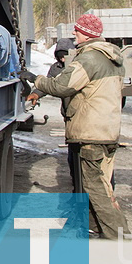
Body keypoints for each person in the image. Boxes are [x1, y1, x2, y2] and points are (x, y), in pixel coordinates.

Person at [21, 14, 129, 238]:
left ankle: (117, 236)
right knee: (104, 185)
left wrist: (35, 79)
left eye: (78, 31)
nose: (74, 34)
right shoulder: (112, 59)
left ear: (88, 34)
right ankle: (96, 228)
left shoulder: (89, 59)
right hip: (107, 132)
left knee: (94, 188)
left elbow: (62, 86)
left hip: (91, 134)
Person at [28, 39, 79, 190]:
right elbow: (49, 85)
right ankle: (76, 183)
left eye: (65, 56)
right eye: (60, 56)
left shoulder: (79, 67)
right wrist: (35, 94)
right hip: (69, 117)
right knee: (73, 154)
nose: (63, 59)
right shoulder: (56, 68)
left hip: (84, 117)